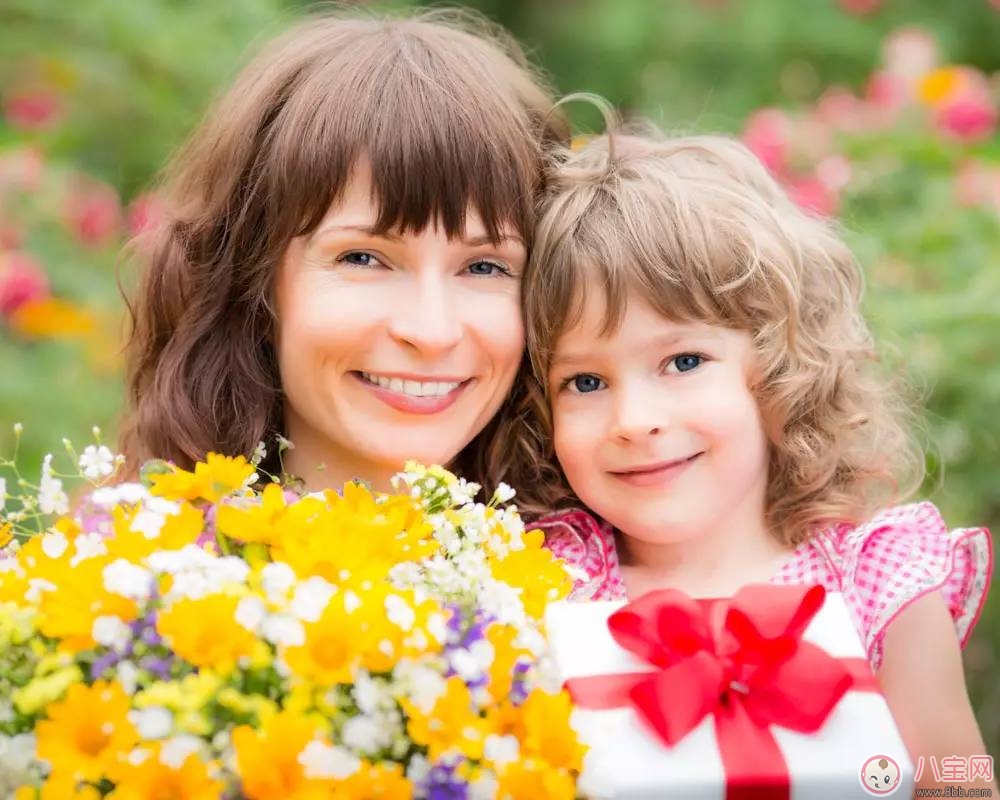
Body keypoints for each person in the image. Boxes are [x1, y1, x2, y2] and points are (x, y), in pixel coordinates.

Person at [507, 128, 995, 790]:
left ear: (780, 366)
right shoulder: (541, 581)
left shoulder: (879, 583)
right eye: (585, 382)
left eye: (683, 361)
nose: (635, 421)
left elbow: (958, 781)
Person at [119, 8, 568, 493]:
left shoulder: (592, 566)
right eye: (363, 258)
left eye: (484, 266)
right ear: (251, 285)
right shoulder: (126, 564)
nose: (431, 331)